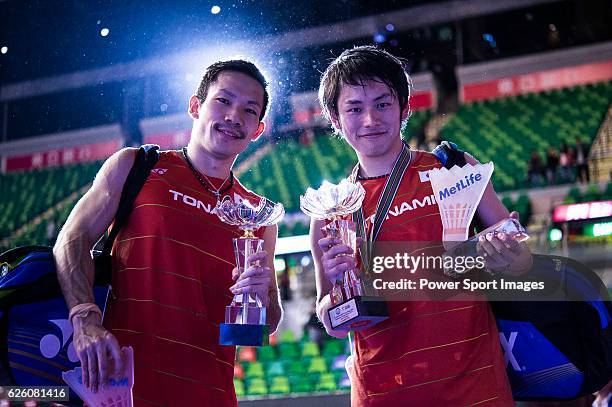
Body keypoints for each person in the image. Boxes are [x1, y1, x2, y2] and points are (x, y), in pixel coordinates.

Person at [311, 46, 533, 406]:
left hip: (475, 387)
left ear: (404, 108)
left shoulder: (453, 171)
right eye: (354, 108)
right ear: (335, 120)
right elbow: (331, 321)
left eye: (383, 104)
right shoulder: (330, 210)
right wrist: (334, 306)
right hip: (382, 391)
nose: (370, 119)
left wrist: (505, 254)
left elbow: (521, 260)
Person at [53, 60, 283, 406]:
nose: (235, 116)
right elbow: (71, 239)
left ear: (259, 129)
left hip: (213, 396)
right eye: (223, 101)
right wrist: (84, 319)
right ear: (195, 106)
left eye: (249, 110)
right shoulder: (136, 167)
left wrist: (258, 302)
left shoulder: (257, 215)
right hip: (123, 392)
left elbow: (268, 321)